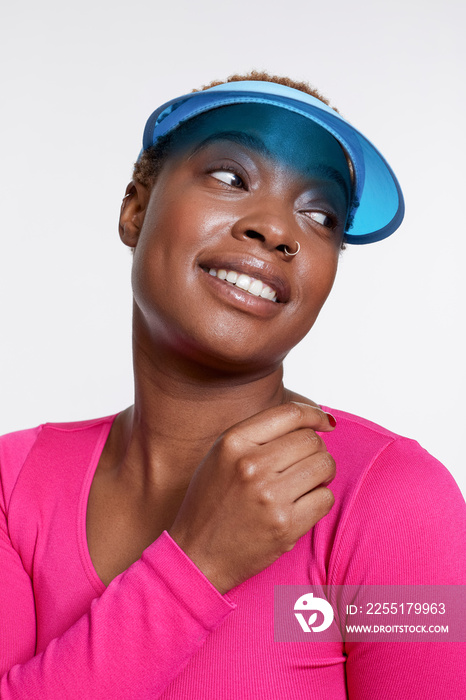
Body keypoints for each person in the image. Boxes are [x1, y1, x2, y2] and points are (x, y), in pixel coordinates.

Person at [0, 71, 465, 699]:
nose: (276, 229)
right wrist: (196, 566)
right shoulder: (15, 482)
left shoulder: (393, 499)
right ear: (135, 207)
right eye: (229, 177)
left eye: (319, 214)